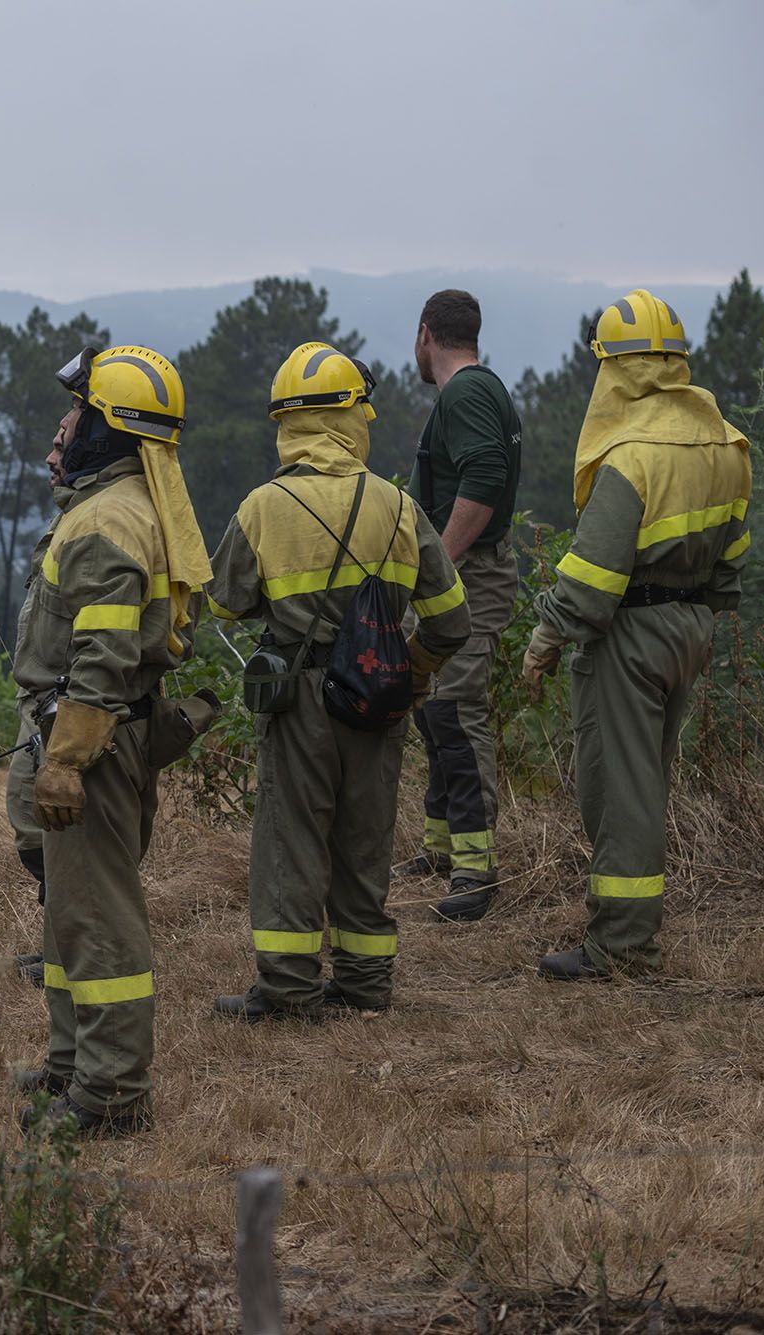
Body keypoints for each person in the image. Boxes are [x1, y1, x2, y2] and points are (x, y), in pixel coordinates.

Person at [209, 342, 469, 1021]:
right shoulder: (399, 506)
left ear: (287, 423)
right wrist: (407, 677)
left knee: (291, 838)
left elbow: (224, 602)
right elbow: (452, 620)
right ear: (354, 417)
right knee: (366, 838)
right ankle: (365, 984)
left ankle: (289, 989)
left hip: (297, 700)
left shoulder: (263, 506)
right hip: (377, 697)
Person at [11, 345, 211, 1138]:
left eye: (80, 410)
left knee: (98, 919)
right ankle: (72, 1065)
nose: (67, 424)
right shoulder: (123, 503)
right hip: (95, 733)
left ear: (110, 426)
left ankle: (112, 1094)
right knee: (69, 912)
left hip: (90, 741)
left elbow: (100, 658)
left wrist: (64, 760)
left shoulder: (104, 521)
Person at [523, 290, 752, 981]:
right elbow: (732, 556)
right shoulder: (724, 439)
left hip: (627, 633)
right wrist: (700, 615)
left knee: (619, 792)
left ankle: (621, 947)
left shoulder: (630, 455)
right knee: (649, 784)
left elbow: (592, 578)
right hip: (689, 628)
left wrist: (545, 637)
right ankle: (630, 937)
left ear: (616, 370)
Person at [404, 290, 525, 922]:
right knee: (434, 711)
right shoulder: (478, 392)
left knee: (455, 711)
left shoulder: (466, 394)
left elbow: (482, 482)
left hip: (470, 576)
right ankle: (441, 850)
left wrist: (438, 566)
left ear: (426, 335)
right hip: (468, 573)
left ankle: (475, 873)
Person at [5, 431, 70, 988]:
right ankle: (57, 948)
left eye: (62, 445)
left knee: (64, 837)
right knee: (35, 828)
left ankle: (66, 956)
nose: (49, 457)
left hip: (70, 710)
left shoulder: (97, 525)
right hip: (43, 708)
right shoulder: (70, 520)